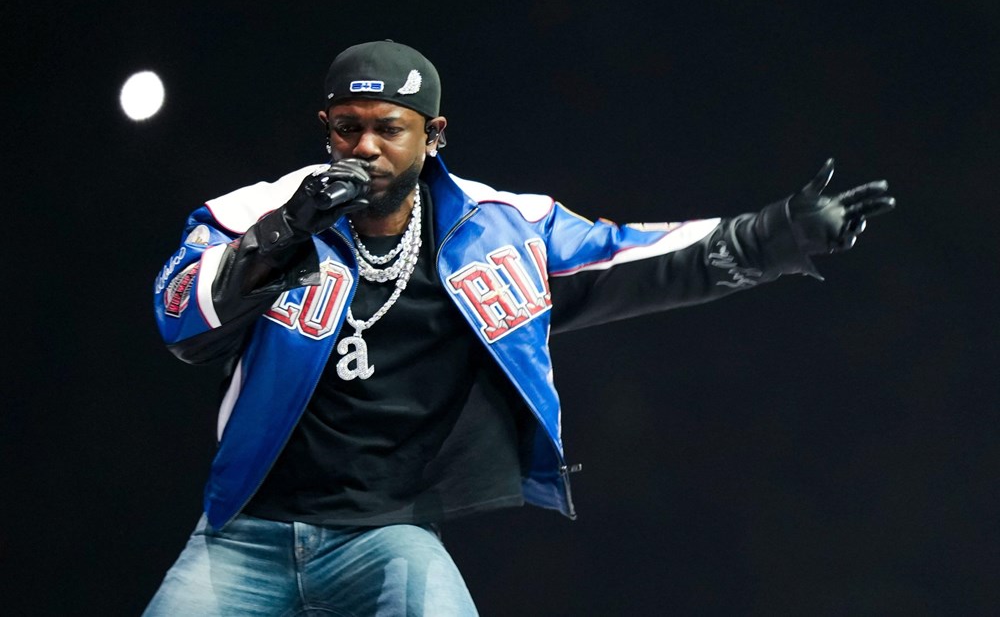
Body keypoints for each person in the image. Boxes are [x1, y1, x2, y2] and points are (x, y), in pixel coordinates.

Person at [145, 40, 895, 616]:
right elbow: (179, 319)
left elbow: (628, 255)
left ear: (433, 134)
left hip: (384, 536)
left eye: (388, 128)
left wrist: (772, 235)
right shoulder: (255, 212)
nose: (365, 147)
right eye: (348, 128)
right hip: (246, 532)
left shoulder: (501, 231)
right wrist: (283, 232)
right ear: (326, 130)